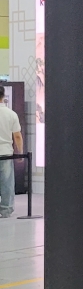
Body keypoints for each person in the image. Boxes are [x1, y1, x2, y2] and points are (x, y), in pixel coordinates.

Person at [0, 85, 22, 218]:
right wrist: (20, 152)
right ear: (3, 96)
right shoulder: (11, 114)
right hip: (5, 153)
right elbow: (17, 136)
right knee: (7, 183)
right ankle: (6, 209)